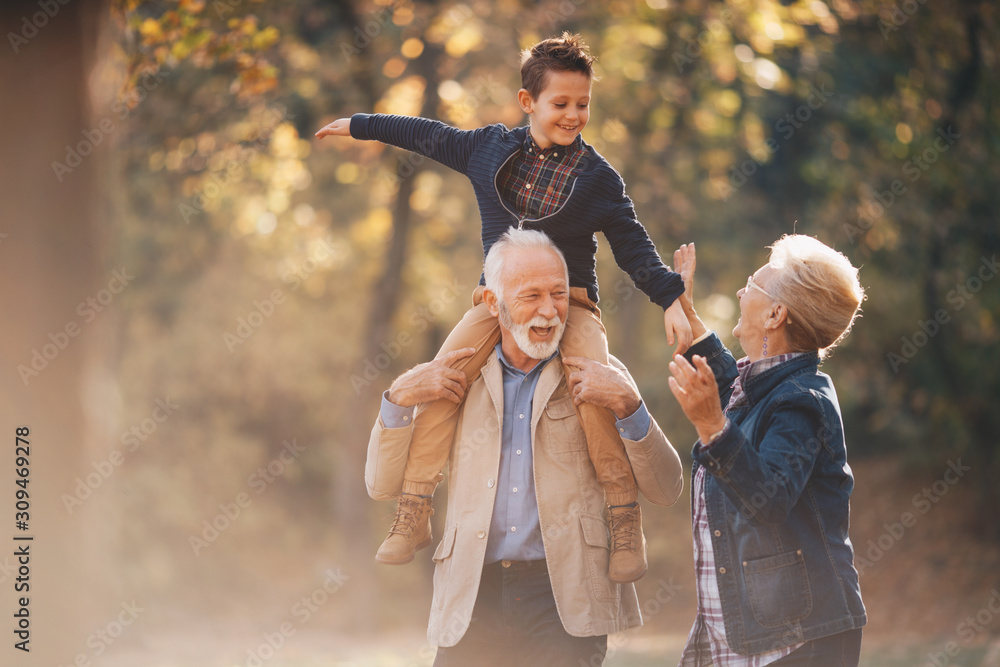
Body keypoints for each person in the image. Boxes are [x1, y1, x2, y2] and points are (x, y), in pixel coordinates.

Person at [319, 32, 691, 581]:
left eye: (583, 104)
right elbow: (424, 134)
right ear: (528, 103)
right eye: (560, 104)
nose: (573, 116)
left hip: (574, 305)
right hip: (496, 303)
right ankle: (415, 508)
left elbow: (632, 244)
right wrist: (360, 123)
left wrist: (671, 299)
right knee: (444, 379)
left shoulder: (598, 179)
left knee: (593, 389)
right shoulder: (487, 149)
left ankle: (622, 517)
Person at [365, 229, 684, 665]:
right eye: (531, 295)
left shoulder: (598, 371)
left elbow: (667, 488)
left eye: (557, 294)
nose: (550, 310)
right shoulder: (457, 377)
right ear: (494, 304)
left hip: (565, 602)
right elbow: (380, 483)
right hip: (472, 596)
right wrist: (399, 396)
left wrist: (631, 405)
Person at [665, 237, 868, 665]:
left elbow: (768, 498)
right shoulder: (762, 387)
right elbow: (729, 382)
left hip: (800, 642)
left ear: (776, 314)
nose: (741, 291)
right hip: (757, 635)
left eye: (752, 284)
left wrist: (711, 426)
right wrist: (686, 310)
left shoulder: (802, 400)